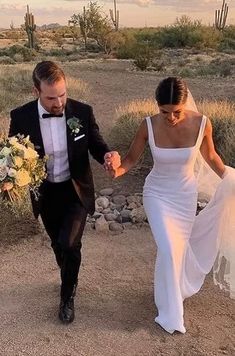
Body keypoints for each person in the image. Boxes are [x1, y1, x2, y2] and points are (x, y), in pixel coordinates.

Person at [105, 77, 235, 334]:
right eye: (165, 111)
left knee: (176, 250)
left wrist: (229, 178)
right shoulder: (148, 126)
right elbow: (129, 161)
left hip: (185, 195)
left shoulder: (202, 124)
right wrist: (114, 168)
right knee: (169, 247)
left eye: (177, 111)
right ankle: (172, 315)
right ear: (157, 106)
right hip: (157, 194)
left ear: (186, 104)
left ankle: (170, 293)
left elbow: (211, 157)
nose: (171, 117)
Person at [9, 61, 120, 324]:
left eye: (62, 94)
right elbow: (14, 153)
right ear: (36, 91)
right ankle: (69, 271)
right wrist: (9, 175)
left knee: (70, 243)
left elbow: (96, 144)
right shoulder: (21, 116)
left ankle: (67, 295)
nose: (58, 102)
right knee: (58, 244)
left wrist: (107, 155)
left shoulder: (82, 112)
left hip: (75, 190)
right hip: (45, 192)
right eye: (51, 97)